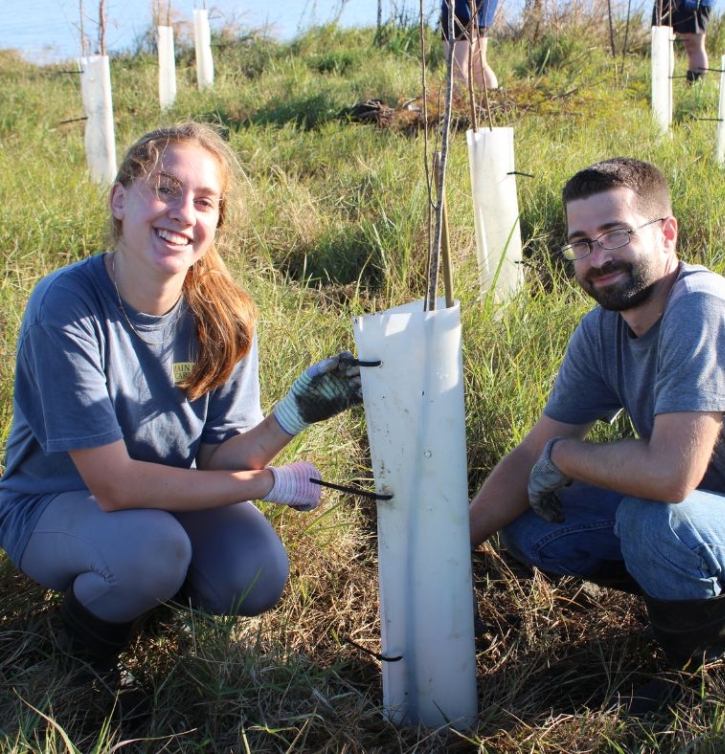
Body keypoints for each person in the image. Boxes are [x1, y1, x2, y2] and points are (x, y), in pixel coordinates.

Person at [468, 157, 725, 712]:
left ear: (666, 232)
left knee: (655, 518)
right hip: (716, 514)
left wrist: (569, 457)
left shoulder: (701, 309)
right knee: (528, 523)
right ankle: (689, 592)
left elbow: (671, 478)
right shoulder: (604, 329)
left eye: (615, 234)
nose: (597, 259)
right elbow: (534, 452)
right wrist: (455, 551)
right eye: (581, 243)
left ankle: (701, 670)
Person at [0, 122, 364, 686]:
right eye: (165, 189)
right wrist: (268, 486)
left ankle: (141, 595)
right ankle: (83, 655)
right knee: (152, 549)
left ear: (217, 222)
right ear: (120, 199)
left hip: (164, 504)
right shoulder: (65, 306)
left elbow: (220, 458)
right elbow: (114, 487)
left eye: (203, 201)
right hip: (55, 504)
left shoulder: (225, 315)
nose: (182, 213)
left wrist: (291, 415)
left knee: (256, 573)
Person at [441, 0, 500, 91]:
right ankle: (492, 102)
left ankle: (461, 104)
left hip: (460, 8)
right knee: (478, 64)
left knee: (458, 68)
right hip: (483, 9)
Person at [652, 0, 713, 83]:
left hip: (692, 2)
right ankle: (661, 86)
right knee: (661, 42)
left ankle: (695, 89)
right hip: (664, 2)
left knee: (693, 47)